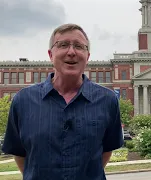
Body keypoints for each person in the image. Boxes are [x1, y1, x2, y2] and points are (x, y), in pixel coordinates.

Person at [1, 23, 124, 180]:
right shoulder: (23, 100)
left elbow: (105, 151)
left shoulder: (108, 100)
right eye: (63, 45)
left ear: (87, 57)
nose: (71, 52)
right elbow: (19, 153)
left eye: (79, 46)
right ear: (51, 54)